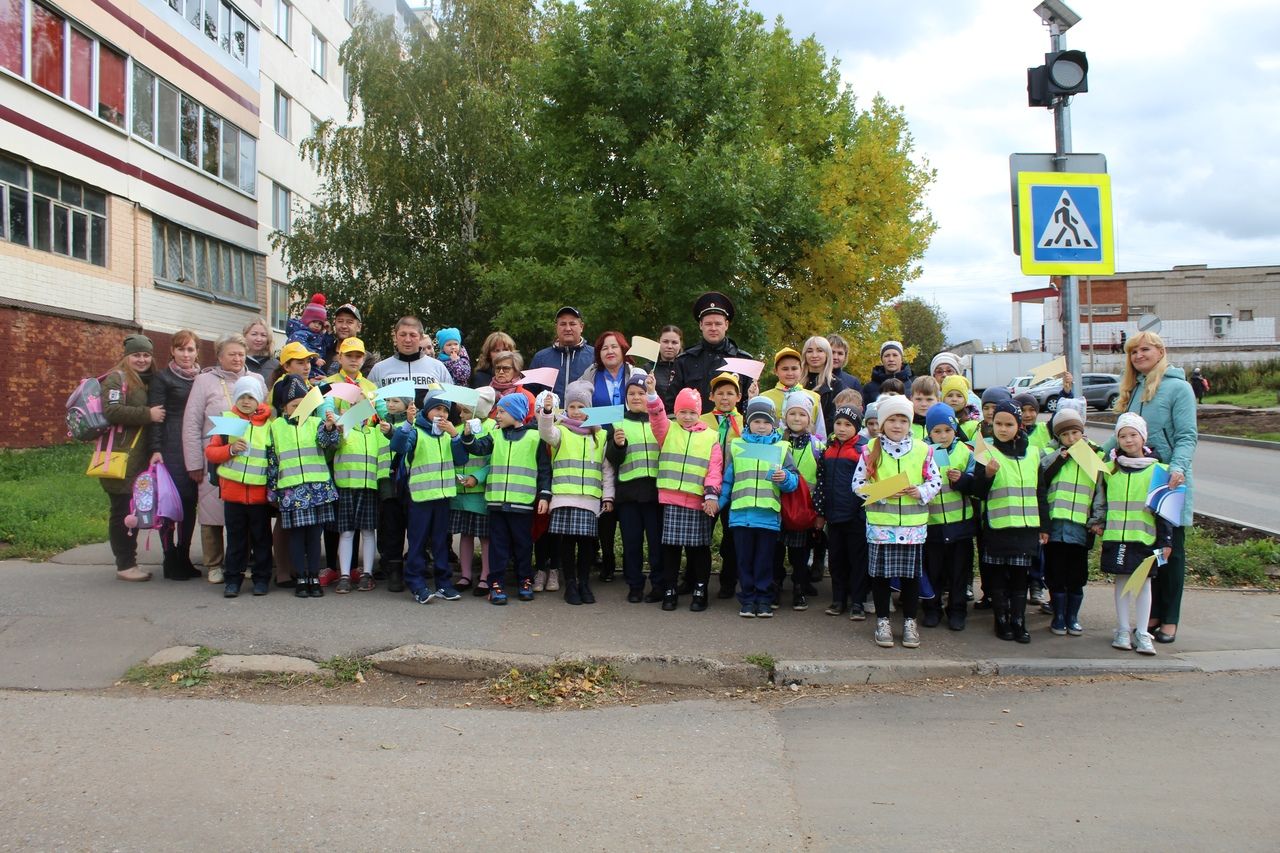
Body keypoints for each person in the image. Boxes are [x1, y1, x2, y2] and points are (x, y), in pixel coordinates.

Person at [1110, 331, 1196, 644]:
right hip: (1137, 482)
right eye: (1133, 352)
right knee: (1149, 553)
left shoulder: (1179, 388)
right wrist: (1093, 454)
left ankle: (1170, 619)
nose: (1139, 356)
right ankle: (1154, 614)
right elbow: (1121, 433)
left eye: (1144, 350)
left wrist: (1178, 467)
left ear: (1160, 351)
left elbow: (1187, 436)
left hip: (1168, 480)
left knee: (1171, 552)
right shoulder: (1134, 389)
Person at [852, 394, 942, 649]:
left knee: (910, 577)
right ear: (882, 423)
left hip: (912, 528)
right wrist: (882, 491)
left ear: (910, 423)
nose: (897, 425)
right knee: (880, 576)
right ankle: (882, 621)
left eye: (903, 420)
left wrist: (920, 491)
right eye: (892, 419)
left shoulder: (923, 450)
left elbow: (935, 481)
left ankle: (910, 621)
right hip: (882, 527)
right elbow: (858, 486)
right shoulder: (870, 450)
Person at [958, 399, 1043, 643]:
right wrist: (987, 475)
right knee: (996, 577)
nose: (1003, 429)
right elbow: (977, 492)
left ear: (1019, 425)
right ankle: (1001, 619)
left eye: (1009, 424)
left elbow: (1041, 493)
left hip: (1025, 528)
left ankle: (1018, 620)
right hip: (996, 527)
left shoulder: (1033, 453)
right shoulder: (986, 451)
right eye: (998, 424)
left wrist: (1044, 527)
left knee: (1019, 578)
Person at [460, 391, 552, 604]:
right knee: (498, 547)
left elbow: (544, 470)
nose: (497, 415)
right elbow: (477, 447)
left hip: (523, 503)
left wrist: (545, 496)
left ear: (516, 412)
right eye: (497, 411)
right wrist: (467, 436)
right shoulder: (495, 435)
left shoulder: (534, 436)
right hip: (497, 503)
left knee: (523, 545)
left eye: (502, 411)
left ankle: (524, 580)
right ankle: (496, 583)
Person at [646, 375, 723, 611]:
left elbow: (714, 469)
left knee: (698, 551)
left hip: (698, 502)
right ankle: (669, 590)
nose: (687, 417)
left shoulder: (711, 436)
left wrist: (711, 496)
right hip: (672, 501)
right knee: (670, 550)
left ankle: (700, 590)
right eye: (683, 412)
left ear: (699, 413)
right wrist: (651, 393)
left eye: (692, 412)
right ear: (676, 412)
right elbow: (657, 415)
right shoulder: (667, 430)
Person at [719, 397, 800, 618]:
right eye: (756, 421)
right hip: (740, 515)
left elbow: (794, 482)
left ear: (774, 424)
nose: (762, 426)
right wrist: (717, 504)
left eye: (766, 421)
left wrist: (785, 478)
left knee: (764, 562)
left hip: (767, 515)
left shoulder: (782, 448)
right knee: (744, 561)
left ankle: (764, 599)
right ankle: (747, 599)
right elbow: (728, 480)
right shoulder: (737, 447)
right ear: (748, 424)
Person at [1102, 413, 1174, 656]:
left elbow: (1165, 511)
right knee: (1122, 583)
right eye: (1122, 435)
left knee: (1144, 585)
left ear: (1143, 438)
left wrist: (1166, 541)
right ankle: (1122, 629)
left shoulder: (1159, 471)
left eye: (1133, 435)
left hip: (1145, 539)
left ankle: (1142, 633)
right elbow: (1101, 502)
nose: (1128, 440)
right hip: (1117, 538)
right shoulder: (1111, 470)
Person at [537, 381, 615, 605]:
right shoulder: (560, 431)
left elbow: (606, 470)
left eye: (581, 406)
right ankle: (570, 583)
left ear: (589, 409)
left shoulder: (600, 436)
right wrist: (548, 412)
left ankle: (584, 582)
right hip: (564, 496)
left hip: (590, 499)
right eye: (572, 407)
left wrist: (608, 496)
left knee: (587, 543)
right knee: (568, 542)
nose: (577, 411)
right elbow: (545, 431)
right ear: (566, 409)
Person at [181, 333, 250, 585]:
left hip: (247, 455)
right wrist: (194, 463)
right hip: (213, 454)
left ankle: (241, 561)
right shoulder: (204, 381)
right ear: (219, 356)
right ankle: (214, 563)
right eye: (231, 354)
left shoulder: (255, 380)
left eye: (241, 354)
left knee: (244, 510)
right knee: (212, 511)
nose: (237, 358)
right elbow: (191, 423)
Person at [267, 376, 341, 598]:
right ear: (284, 408)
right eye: (294, 405)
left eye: (303, 405)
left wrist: (329, 429)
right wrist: (272, 489)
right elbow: (272, 460)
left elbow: (330, 443)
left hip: (317, 490)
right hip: (291, 491)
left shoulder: (315, 424)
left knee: (313, 536)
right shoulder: (276, 427)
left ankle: (313, 577)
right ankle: (300, 577)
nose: (299, 409)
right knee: (297, 536)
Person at [391, 389, 466, 605]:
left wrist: (454, 435)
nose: (441, 413)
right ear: (427, 410)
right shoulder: (416, 431)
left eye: (445, 410)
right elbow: (397, 446)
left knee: (441, 542)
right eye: (437, 408)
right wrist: (407, 423)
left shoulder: (447, 435)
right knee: (418, 542)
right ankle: (416, 582)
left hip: (442, 497)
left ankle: (443, 583)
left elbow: (460, 459)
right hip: (420, 497)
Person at [101, 334, 163, 582]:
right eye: (136, 355)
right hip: (121, 457)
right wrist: (148, 414)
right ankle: (125, 564)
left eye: (146, 354)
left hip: (140, 458)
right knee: (121, 510)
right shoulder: (117, 378)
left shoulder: (150, 380)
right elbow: (112, 411)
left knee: (135, 509)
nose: (142, 359)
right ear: (126, 356)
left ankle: (129, 561)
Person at [204, 376, 273, 598]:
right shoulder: (227, 422)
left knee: (262, 540)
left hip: (259, 496)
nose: (246, 401)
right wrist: (231, 450)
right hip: (233, 495)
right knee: (236, 541)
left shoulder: (268, 425)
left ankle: (262, 579)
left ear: (258, 400)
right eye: (242, 396)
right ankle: (233, 580)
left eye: (251, 397)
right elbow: (211, 452)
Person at [1038, 407, 1104, 637]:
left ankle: (1072, 616)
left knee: (1077, 574)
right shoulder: (1051, 454)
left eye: (1075, 433)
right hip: (1056, 526)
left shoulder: (1095, 454)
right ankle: (1058, 616)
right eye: (1065, 435)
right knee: (1055, 573)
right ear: (1058, 437)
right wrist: (1060, 457)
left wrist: (1097, 519)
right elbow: (1042, 480)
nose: (1071, 439)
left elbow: (1100, 490)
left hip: (1080, 527)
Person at [147, 329, 202, 580]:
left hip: (195, 444)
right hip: (171, 444)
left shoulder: (201, 378)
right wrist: (156, 449)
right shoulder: (163, 379)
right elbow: (156, 418)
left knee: (190, 502)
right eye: (181, 349)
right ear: (172, 350)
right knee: (171, 503)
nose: (186, 354)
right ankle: (169, 558)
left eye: (190, 349)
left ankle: (184, 555)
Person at [609, 372, 665, 603]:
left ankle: (659, 584)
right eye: (631, 393)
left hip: (654, 494)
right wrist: (617, 445)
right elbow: (612, 460)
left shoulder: (661, 421)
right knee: (631, 543)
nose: (635, 397)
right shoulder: (617, 422)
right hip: (629, 495)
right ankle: (634, 585)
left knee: (656, 543)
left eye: (641, 393)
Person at [328, 378, 388, 594]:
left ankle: (367, 574)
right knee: (346, 532)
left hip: (369, 488)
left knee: (368, 532)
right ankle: (344, 574)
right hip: (346, 487)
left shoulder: (376, 432)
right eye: (355, 404)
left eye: (364, 404)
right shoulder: (344, 428)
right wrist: (337, 428)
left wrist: (388, 430)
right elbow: (333, 442)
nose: (359, 407)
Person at [923, 403, 977, 631]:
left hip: (960, 525)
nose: (942, 435)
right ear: (929, 432)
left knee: (958, 573)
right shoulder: (923, 452)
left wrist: (962, 479)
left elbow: (976, 484)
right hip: (932, 524)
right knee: (933, 570)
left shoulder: (965, 451)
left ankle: (957, 611)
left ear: (955, 429)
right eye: (937, 431)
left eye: (947, 430)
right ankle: (932, 609)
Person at [774, 392, 824, 610]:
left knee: (800, 553)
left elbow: (822, 479)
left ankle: (799, 588)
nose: (796, 418)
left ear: (809, 419)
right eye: (792, 413)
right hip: (777, 504)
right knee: (776, 551)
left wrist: (819, 511)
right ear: (785, 416)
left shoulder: (817, 446)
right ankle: (775, 586)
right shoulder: (776, 441)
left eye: (802, 415)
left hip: (803, 508)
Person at [819, 405, 868, 619]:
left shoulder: (862, 450)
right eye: (838, 423)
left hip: (856, 516)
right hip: (833, 515)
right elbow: (822, 481)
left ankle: (857, 602)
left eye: (848, 425)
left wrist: (862, 511)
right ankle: (838, 599)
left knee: (857, 560)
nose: (842, 428)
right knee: (837, 559)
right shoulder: (828, 449)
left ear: (857, 427)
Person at [672, 291, 756, 412]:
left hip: (734, 429)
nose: (713, 328)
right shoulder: (685, 360)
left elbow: (751, 404)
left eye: (718, 323)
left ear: (726, 325)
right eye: (708, 324)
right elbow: (672, 403)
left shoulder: (744, 361)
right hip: (694, 428)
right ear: (701, 325)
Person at [449, 387, 495, 594]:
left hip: (481, 492)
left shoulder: (493, 428)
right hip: (461, 492)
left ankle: (486, 575)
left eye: (466, 411)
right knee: (465, 534)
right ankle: (465, 574)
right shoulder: (458, 430)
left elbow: (494, 461)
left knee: (485, 537)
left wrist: (477, 477)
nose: (461, 415)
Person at [701, 372, 743, 598]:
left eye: (730, 393)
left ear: (738, 396)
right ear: (711, 396)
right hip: (706, 487)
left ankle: (728, 581)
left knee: (730, 537)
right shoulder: (702, 421)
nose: (724, 398)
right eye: (720, 393)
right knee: (700, 535)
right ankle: (695, 578)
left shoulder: (745, 422)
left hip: (735, 489)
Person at [366, 316, 453, 407]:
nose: (407, 340)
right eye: (403, 335)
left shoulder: (438, 367)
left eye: (413, 335)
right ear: (395, 337)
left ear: (421, 337)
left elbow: (451, 403)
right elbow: (368, 404)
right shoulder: (379, 369)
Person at [376, 393, 414, 594]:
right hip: (387, 483)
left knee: (413, 526)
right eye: (388, 401)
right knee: (392, 528)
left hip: (408, 482)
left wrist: (392, 431)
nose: (390, 404)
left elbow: (404, 443)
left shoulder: (413, 424)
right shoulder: (377, 425)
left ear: (407, 405)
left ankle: (415, 567)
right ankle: (394, 570)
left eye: (396, 401)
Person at [527, 306, 595, 400]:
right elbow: (529, 394)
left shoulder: (595, 356)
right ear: (556, 327)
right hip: (549, 414)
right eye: (563, 324)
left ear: (581, 327)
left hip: (586, 414)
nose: (567, 328)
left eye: (572, 324)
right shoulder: (540, 358)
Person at [763, 347, 827, 439]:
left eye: (794, 368)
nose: (790, 373)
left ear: (801, 370)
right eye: (785, 369)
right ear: (776, 371)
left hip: (805, 451)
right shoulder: (765, 398)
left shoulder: (813, 397)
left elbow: (820, 432)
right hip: (773, 450)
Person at [286, 294, 335, 379]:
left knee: (323, 382)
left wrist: (329, 333)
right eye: (314, 322)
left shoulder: (318, 335)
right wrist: (315, 359)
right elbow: (301, 347)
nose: (317, 325)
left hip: (315, 367)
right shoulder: (300, 333)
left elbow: (327, 345)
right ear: (306, 320)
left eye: (320, 323)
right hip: (307, 366)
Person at [802, 335, 844, 435]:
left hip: (821, 440)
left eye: (820, 350)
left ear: (827, 354)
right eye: (810, 351)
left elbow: (834, 417)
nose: (814, 355)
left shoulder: (835, 384)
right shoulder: (796, 381)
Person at [653, 325, 683, 412]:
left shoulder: (686, 367)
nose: (669, 346)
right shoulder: (649, 368)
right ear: (658, 342)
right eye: (665, 342)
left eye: (674, 342)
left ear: (680, 344)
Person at [243, 317, 279, 384]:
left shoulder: (275, 365)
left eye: (263, 335)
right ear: (245, 335)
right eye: (254, 334)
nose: (259, 339)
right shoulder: (238, 362)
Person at [329, 303, 364, 369]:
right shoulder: (324, 351)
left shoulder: (366, 357)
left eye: (349, 322)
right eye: (340, 321)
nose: (344, 326)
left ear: (359, 327)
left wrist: (328, 380)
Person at [910, 376, 940, 441]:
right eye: (918, 399)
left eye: (929, 399)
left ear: (938, 400)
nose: (924, 404)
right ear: (911, 399)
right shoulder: (904, 424)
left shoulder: (945, 424)